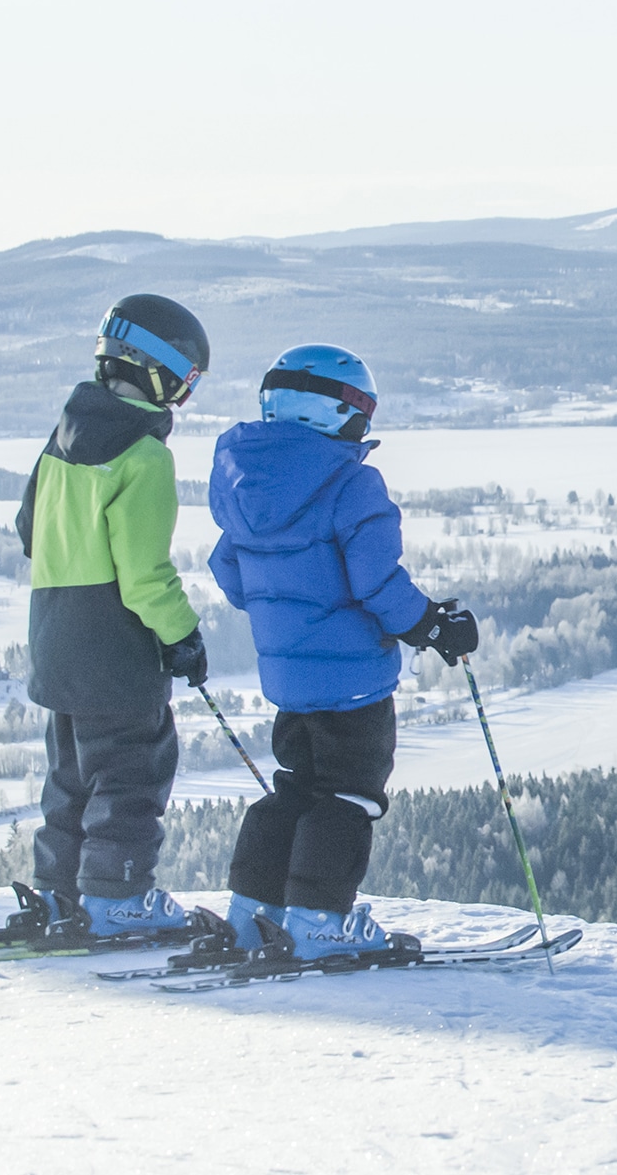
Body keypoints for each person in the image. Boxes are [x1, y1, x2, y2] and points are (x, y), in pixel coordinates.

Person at [207, 343, 478, 960]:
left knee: (294, 791)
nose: (366, 424)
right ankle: (318, 924)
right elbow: (377, 582)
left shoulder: (248, 483)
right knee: (348, 798)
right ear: (333, 413)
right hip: (352, 681)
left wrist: (287, 618)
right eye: (361, 411)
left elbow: (229, 573)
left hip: (289, 684)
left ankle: (252, 916)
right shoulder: (352, 482)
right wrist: (433, 624)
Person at [14, 294, 210, 939]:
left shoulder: (65, 435)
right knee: (131, 773)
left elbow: (27, 529)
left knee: (70, 778)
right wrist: (183, 636)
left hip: (55, 636)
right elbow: (145, 574)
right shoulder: (144, 456)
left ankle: (58, 896)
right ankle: (118, 899)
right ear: (160, 370)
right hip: (114, 647)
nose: (180, 398)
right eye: (185, 382)